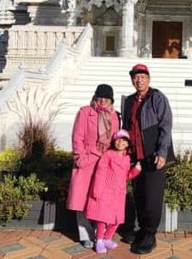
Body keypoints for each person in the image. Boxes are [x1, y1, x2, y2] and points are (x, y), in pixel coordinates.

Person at [121, 63, 175, 254]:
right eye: (136, 77)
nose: (139, 80)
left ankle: (150, 235)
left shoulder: (157, 98)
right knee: (140, 196)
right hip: (136, 157)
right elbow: (126, 128)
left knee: (152, 199)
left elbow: (166, 126)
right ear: (132, 80)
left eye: (142, 76)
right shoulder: (128, 101)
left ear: (148, 78)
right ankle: (143, 230)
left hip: (153, 156)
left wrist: (162, 152)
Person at [66, 84, 119, 248]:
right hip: (87, 160)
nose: (102, 101)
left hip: (105, 163)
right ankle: (85, 234)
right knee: (81, 198)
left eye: (106, 98)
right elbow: (77, 137)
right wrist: (80, 157)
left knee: (100, 199)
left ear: (111, 100)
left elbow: (116, 139)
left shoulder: (115, 116)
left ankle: (99, 233)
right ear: (95, 97)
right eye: (100, 97)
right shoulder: (85, 112)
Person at [84, 130, 142, 254]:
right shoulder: (108, 155)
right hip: (106, 190)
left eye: (124, 140)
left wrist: (136, 170)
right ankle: (99, 240)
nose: (120, 142)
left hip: (119, 193)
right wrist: (97, 190)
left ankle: (107, 238)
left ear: (127, 144)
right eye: (118, 139)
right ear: (114, 141)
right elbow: (100, 172)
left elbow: (125, 176)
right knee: (102, 217)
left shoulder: (126, 158)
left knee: (117, 218)